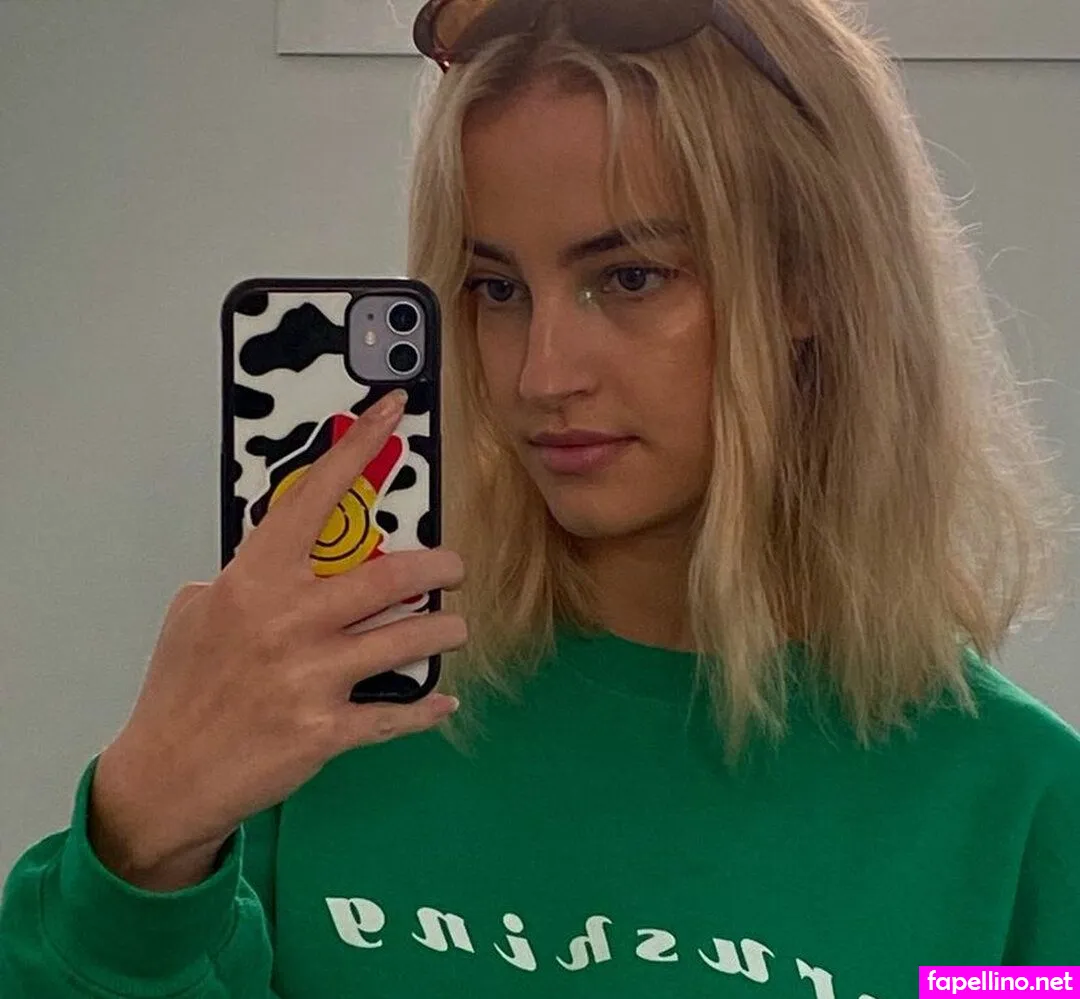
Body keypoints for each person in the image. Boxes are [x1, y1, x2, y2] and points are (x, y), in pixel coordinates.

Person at [2, 0, 1079, 994]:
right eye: (497, 288)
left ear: (811, 281)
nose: (541, 372)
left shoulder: (1018, 813)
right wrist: (139, 843)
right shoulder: (337, 710)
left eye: (631, 276)